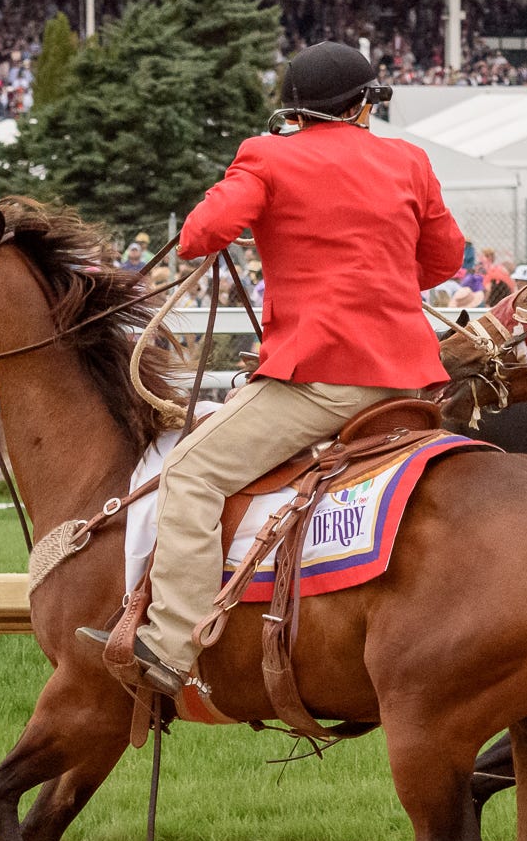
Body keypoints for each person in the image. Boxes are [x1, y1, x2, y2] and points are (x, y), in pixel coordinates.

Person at [85, 41, 463, 699]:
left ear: (293, 111)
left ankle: (169, 649)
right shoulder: (409, 159)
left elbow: (203, 235)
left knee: (190, 473)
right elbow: (444, 261)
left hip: (321, 378)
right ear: (361, 105)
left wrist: (259, 190)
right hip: (413, 379)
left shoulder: (269, 155)